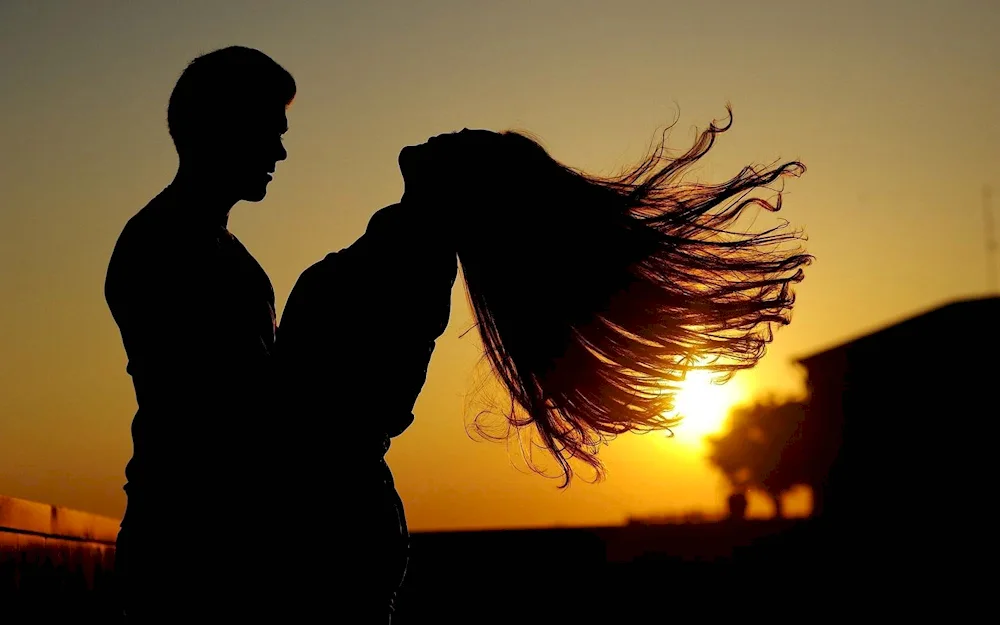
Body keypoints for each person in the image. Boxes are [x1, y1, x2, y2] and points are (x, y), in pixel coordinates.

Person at [274, 113, 812, 620]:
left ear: (466, 188)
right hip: (332, 513)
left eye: (463, 142)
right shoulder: (402, 249)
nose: (448, 133)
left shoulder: (404, 263)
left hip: (325, 520)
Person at [105, 46, 294, 620]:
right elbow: (228, 408)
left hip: (209, 543)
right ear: (223, 128)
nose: (281, 152)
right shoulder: (163, 247)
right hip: (191, 554)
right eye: (270, 131)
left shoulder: (216, 249)